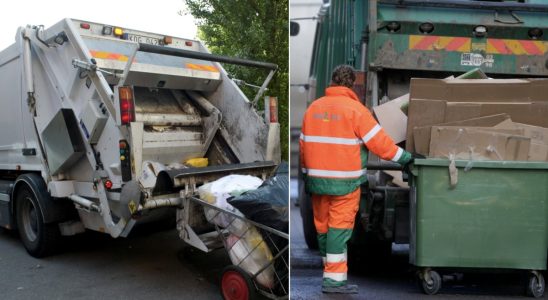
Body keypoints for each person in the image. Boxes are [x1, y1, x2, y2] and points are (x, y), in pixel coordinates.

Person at [299, 65, 413, 294]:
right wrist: (406, 158)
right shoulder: (356, 110)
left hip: (317, 182)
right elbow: (381, 145)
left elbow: (303, 146)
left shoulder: (313, 109)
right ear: (352, 85)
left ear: (332, 82)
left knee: (323, 228)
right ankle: (333, 281)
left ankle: (329, 270)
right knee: (338, 231)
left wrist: (308, 175)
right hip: (345, 184)